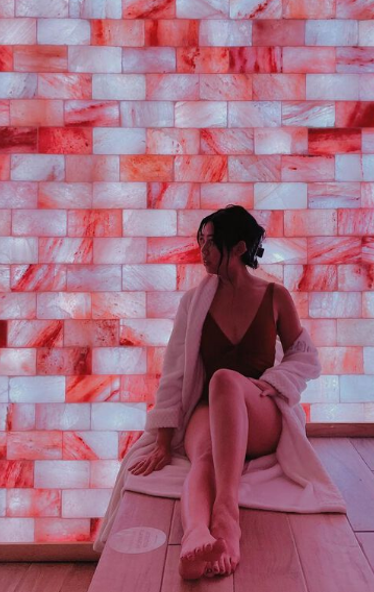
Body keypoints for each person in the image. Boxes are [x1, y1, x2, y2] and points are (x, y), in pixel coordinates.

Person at [93, 205, 346, 580]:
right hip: (208, 410)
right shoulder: (194, 302)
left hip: (260, 412)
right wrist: (163, 441)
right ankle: (196, 533)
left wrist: (275, 381)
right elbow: (175, 373)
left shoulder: (275, 296)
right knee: (204, 458)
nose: (203, 250)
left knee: (225, 380)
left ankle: (227, 519)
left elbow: (305, 357)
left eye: (211, 242)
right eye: (202, 241)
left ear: (239, 247)